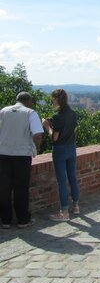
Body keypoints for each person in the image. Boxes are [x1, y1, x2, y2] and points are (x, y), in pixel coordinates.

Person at [0, 92, 43, 229]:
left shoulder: (3, 111)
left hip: (3, 153)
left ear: (16, 100)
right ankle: (23, 219)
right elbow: (37, 135)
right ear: (28, 101)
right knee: (21, 187)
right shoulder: (30, 113)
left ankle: (5, 220)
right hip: (22, 154)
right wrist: (37, 149)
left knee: (4, 187)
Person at [42, 89, 80, 221]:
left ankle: (64, 212)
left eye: (52, 99)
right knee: (72, 177)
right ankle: (76, 206)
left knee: (62, 181)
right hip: (71, 148)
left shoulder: (57, 116)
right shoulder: (73, 114)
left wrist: (47, 126)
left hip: (60, 150)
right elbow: (73, 130)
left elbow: (55, 137)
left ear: (56, 99)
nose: (51, 101)